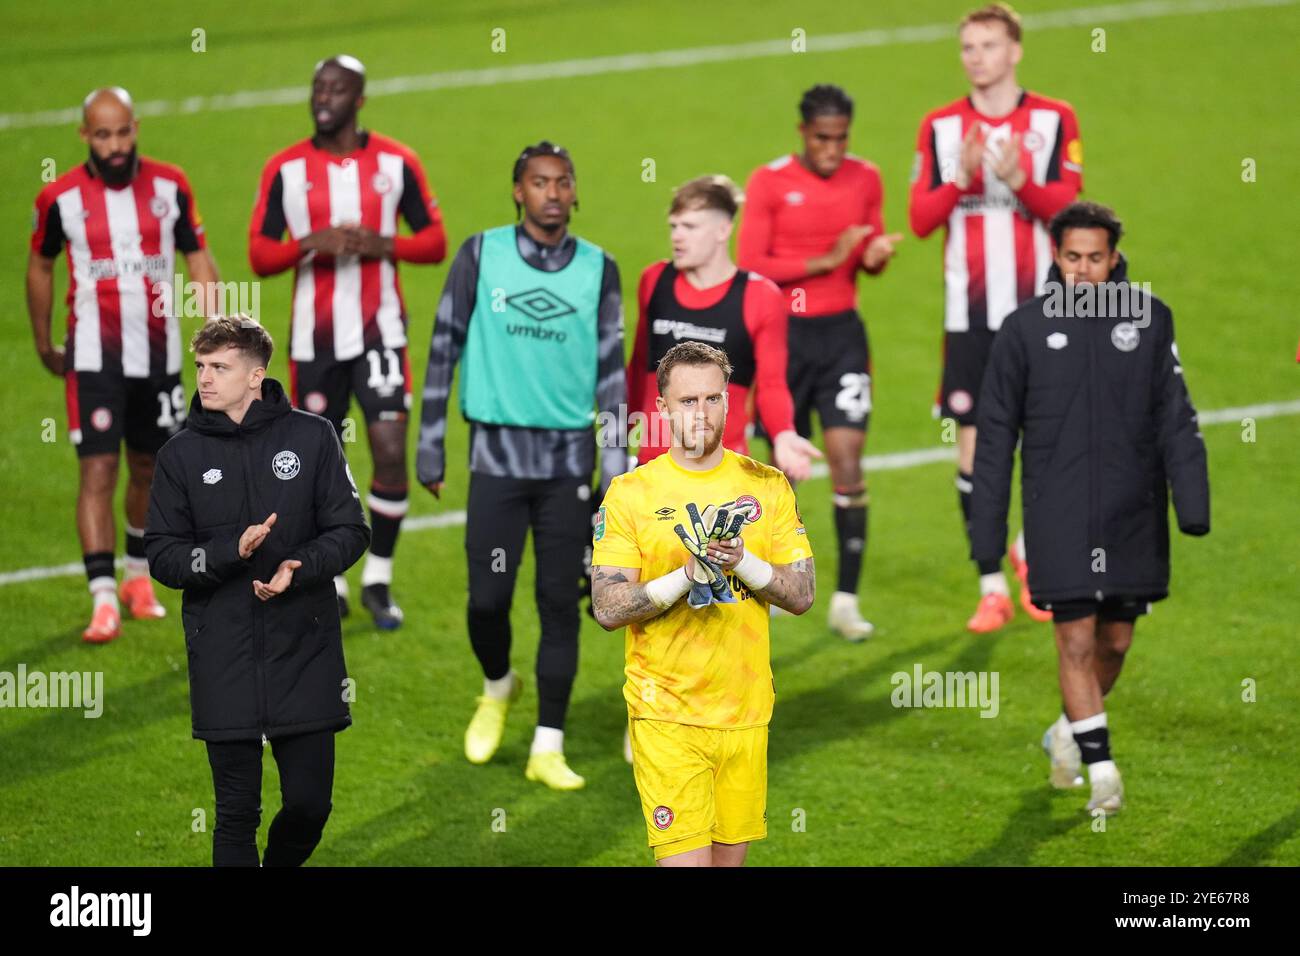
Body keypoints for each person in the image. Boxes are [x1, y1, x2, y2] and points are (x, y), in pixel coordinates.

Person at [969, 202, 1209, 814]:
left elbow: (1175, 416)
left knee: (1117, 643)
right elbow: (994, 435)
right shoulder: (1023, 330)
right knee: (1074, 641)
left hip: (1133, 511)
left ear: (1114, 257)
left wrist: (1192, 500)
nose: (1082, 270)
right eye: (1072, 257)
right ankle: (1102, 775)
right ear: (1056, 255)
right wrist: (987, 534)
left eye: (1095, 258)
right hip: (1060, 514)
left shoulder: (1151, 321)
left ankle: (1069, 730)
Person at [416, 141, 626, 790]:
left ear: (574, 191)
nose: (553, 193)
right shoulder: (482, 255)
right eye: (540, 183)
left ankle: (548, 744)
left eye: (564, 182)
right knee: (488, 601)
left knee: (560, 602)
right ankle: (498, 684)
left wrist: (614, 473)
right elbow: (444, 343)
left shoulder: (600, 268)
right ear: (518, 191)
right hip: (496, 460)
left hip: (567, 464)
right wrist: (428, 439)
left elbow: (613, 374)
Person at [145, 316, 370, 865]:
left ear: (255, 375)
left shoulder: (312, 437)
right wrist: (230, 551)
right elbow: (163, 555)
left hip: (305, 649)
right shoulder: (180, 456)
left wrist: (303, 563)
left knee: (311, 805)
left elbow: (351, 528)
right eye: (200, 366)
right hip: (223, 653)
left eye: (219, 367)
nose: (205, 378)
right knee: (236, 813)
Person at [592, 341, 815, 866]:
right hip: (666, 714)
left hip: (745, 714)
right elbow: (607, 606)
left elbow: (802, 594)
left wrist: (742, 562)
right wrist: (685, 576)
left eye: (713, 399)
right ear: (663, 408)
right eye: (688, 401)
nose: (702, 413)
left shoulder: (768, 486)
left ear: (729, 403)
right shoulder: (630, 494)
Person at [249, 54, 447, 629]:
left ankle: (378, 578)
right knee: (319, 461)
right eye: (317, 87)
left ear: (358, 99)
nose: (323, 97)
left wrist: (382, 246)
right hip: (315, 343)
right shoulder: (284, 168)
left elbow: (434, 241)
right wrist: (311, 242)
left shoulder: (396, 162)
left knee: (388, 449)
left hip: (381, 335)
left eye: (336, 89)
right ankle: (330, 577)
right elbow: (260, 256)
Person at [908, 2, 1083, 633]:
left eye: (988, 45)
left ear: (1015, 51)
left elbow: (1073, 213)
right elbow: (921, 219)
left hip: (1042, 313)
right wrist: (963, 177)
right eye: (967, 47)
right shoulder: (940, 127)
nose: (976, 57)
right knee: (976, 453)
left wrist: (1020, 180)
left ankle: (1030, 558)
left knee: (1044, 444)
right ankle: (989, 584)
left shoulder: (1054, 120)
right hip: (971, 318)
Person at [27, 86, 221, 643]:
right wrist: (44, 344)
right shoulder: (59, 198)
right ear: (84, 135)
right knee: (97, 469)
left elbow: (198, 256)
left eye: (124, 132)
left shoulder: (171, 185)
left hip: (159, 360)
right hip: (93, 360)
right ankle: (103, 598)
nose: (115, 145)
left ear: (136, 127)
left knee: (151, 470)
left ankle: (137, 576)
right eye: (103, 134)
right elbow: (39, 266)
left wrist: (215, 334)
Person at [738, 83, 901, 642]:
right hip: (782, 338)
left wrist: (874, 258)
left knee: (847, 458)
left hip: (842, 337)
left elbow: (868, 254)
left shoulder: (867, 177)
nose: (832, 149)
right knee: (787, 471)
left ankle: (846, 601)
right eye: (821, 138)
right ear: (803, 133)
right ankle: (784, 584)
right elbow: (749, 263)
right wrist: (826, 258)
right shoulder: (769, 181)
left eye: (841, 139)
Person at [627, 174, 819, 479]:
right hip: (653, 468)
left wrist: (783, 434)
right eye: (674, 226)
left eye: (690, 227)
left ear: (722, 230)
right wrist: (616, 443)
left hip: (722, 475)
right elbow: (638, 367)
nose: (677, 236)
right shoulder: (654, 281)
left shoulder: (760, 297)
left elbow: (771, 384)